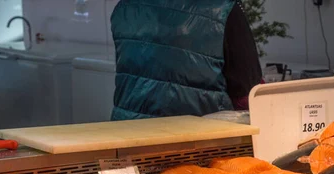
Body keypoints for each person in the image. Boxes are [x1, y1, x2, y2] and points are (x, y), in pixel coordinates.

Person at [110, 0, 263, 120]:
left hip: (128, 139)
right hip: (198, 144)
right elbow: (247, 91)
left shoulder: (124, 7)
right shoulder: (223, 8)